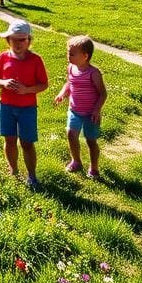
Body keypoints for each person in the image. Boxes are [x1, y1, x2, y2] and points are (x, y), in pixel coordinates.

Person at [0, 20, 49, 190]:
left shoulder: (35, 60)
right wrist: (4, 82)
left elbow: (44, 84)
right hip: (6, 106)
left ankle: (32, 176)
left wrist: (27, 90)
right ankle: (13, 170)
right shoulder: (3, 57)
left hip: (27, 109)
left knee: (27, 143)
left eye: (22, 39)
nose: (18, 43)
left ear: (29, 40)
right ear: (8, 40)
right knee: (9, 140)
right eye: (14, 39)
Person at [54, 35, 107, 179]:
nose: (68, 56)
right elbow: (69, 84)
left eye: (72, 53)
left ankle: (94, 167)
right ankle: (76, 161)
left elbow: (103, 94)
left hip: (91, 114)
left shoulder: (93, 74)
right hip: (74, 111)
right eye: (68, 52)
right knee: (71, 135)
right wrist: (62, 94)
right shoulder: (71, 68)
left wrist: (96, 110)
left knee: (91, 141)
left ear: (85, 56)